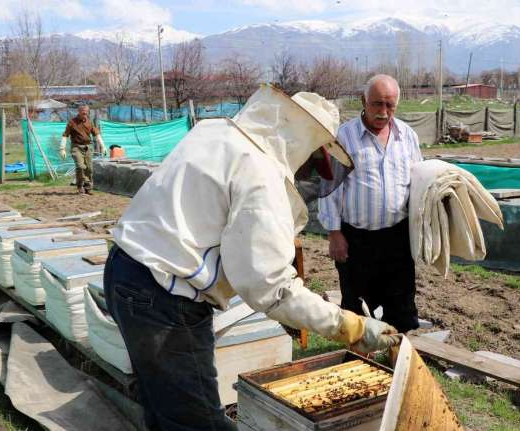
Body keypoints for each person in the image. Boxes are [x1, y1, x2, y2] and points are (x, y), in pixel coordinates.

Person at [104, 85, 401, 431]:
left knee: (163, 409)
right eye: (315, 161)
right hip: (165, 299)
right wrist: (350, 325)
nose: (308, 174)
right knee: (199, 423)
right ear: (301, 144)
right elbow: (272, 287)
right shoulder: (260, 174)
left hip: (125, 272)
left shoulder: (213, 131)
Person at [318, 74, 423, 334]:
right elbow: (329, 188)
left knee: (402, 306)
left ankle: (400, 363)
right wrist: (334, 234)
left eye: (390, 105)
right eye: (377, 104)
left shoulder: (407, 136)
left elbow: (420, 182)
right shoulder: (343, 137)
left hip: (398, 237)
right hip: (356, 240)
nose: (383, 112)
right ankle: (357, 363)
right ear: (363, 100)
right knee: (356, 309)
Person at [60, 105, 105, 195]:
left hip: (88, 147)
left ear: (88, 112)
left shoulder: (89, 122)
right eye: (83, 112)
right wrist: (62, 148)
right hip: (76, 147)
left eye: (86, 112)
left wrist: (103, 146)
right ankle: (80, 186)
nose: (85, 113)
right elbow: (65, 135)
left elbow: (96, 134)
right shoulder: (72, 122)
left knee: (89, 168)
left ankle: (88, 188)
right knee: (81, 167)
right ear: (79, 111)